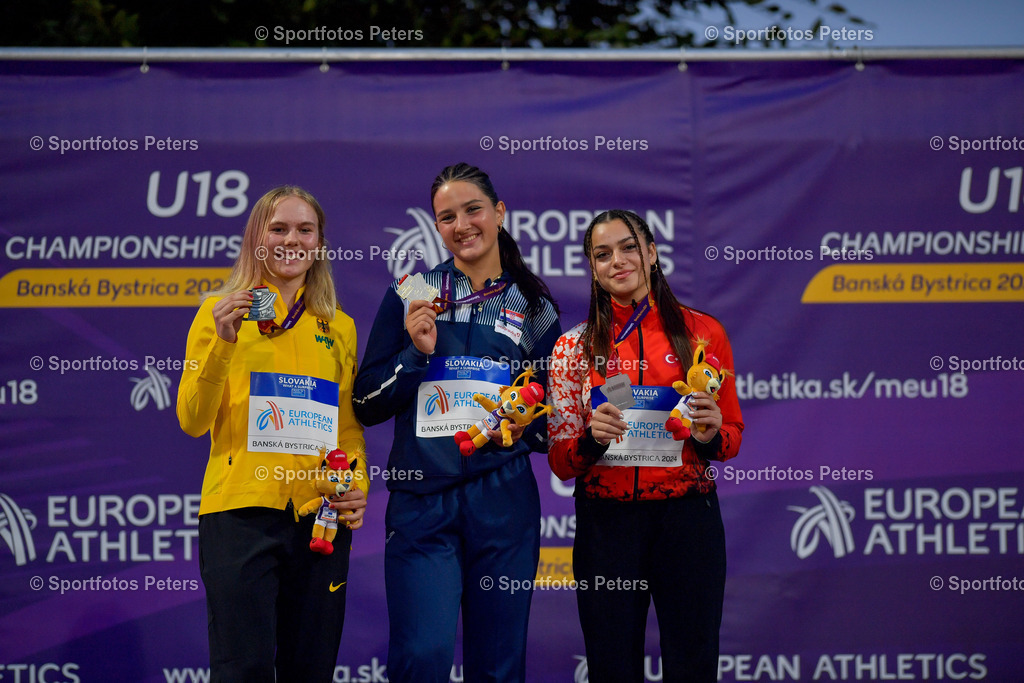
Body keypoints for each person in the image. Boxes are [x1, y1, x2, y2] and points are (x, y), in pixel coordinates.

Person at [353, 163, 561, 683]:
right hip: (422, 502)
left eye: (473, 210)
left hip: (504, 503)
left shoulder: (534, 305)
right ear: (436, 227)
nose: (462, 224)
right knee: (422, 656)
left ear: (499, 213)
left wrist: (521, 422)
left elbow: (548, 422)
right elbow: (366, 400)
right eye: (447, 217)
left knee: (497, 666)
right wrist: (415, 356)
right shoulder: (412, 291)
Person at [176, 186, 368, 683]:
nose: (292, 240)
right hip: (240, 514)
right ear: (256, 239)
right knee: (244, 670)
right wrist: (222, 342)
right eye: (278, 228)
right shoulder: (218, 313)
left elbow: (346, 426)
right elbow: (193, 419)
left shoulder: (339, 325)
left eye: (305, 230)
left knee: (312, 670)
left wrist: (358, 484)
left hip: (320, 517)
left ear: (320, 242)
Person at [547, 210, 743, 683]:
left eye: (629, 246)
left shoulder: (703, 333)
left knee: (693, 665)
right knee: (612, 668)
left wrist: (710, 433)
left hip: (687, 522)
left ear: (652, 253)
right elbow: (560, 462)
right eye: (602, 253)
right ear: (591, 268)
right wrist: (591, 441)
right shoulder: (572, 349)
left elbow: (731, 437)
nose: (618, 260)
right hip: (607, 525)